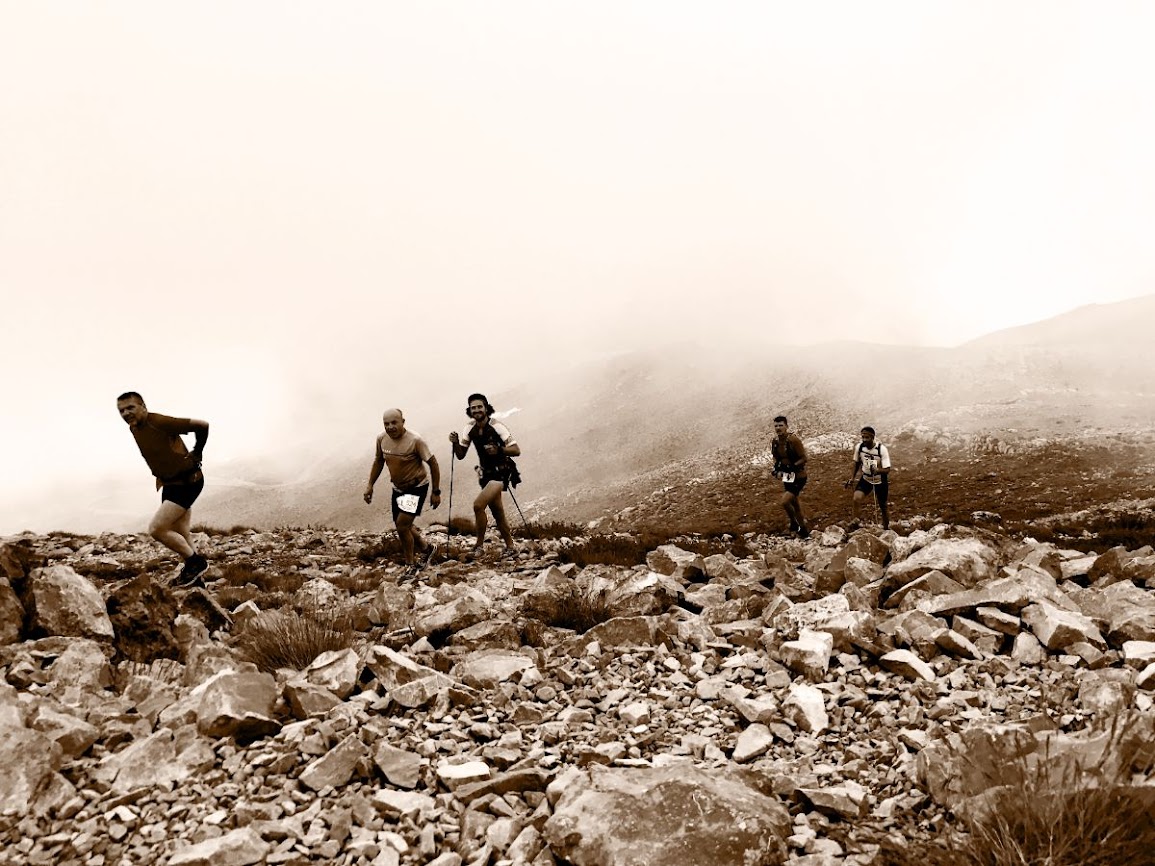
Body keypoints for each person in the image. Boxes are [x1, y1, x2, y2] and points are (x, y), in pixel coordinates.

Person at [116, 392, 211, 585]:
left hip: (188, 482)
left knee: (157, 529)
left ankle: (196, 563)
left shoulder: (159, 421)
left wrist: (197, 451)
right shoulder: (134, 427)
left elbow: (202, 425)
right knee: (182, 531)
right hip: (170, 484)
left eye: (130, 408)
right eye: (121, 411)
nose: (126, 413)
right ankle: (196, 581)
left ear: (143, 406)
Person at [363, 408, 441, 575]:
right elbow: (378, 461)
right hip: (398, 488)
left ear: (403, 422)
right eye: (386, 424)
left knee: (402, 526)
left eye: (394, 422)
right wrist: (370, 485)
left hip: (416, 488)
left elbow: (433, 464)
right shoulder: (381, 439)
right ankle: (427, 549)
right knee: (403, 524)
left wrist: (436, 491)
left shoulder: (415, 440)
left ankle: (410, 565)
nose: (390, 427)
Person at [448, 393, 521, 560]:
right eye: (473, 408)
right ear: (469, 410)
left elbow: (516, 450)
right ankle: (511, 547)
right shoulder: (469, 428)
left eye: (479, 407)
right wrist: (455, 442)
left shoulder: (497, 426)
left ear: (486, 408)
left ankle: (478, 547)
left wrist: (499, 450)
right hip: (486, 474)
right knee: (498, 512)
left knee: (478, 506)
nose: (476, 410)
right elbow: (460, 455)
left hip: (501, 472)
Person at [770, 415, 810, 538]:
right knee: (795, 504)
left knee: (785, 501)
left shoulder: (793, 440)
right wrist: (776, 469)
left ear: (786, 426)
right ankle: (803, 530)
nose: (778, 428)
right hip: (787, 477)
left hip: (799, 476)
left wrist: (791, 466)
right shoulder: (775, 442)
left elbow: (804, 458)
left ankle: (794, 523)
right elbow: (776, 458)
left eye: (781, 425)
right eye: (776, 426)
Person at [844, 425, 891, 530]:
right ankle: (856, 523)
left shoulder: (881, 449)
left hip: (879, 480)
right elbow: (856, 463)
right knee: (856, 498)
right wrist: (852, 478)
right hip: (866, 478)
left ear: (873, 437)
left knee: (882, 505)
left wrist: (878, 470)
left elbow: (887, 469)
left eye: (867, 437)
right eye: (863, 437)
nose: (864, 440)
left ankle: (886, 528)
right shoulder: (860, 447)